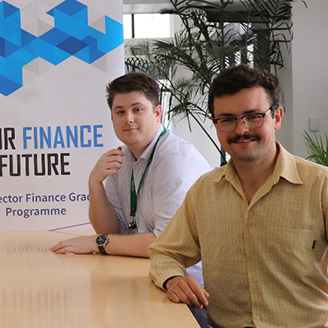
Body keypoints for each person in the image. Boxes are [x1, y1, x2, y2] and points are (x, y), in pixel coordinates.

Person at [148, 65, 328, 328]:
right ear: (216, 124)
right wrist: (173, 278)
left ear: (277, 117)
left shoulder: (326, 187)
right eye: (227, 119)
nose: (241, 129)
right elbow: (164, 252)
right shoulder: (205, 191)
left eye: (253, 116)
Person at [51, 72, 210, 280]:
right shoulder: (123, 157)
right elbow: (111, 229)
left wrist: (96, 242)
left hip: (189, 289)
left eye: (137, 109)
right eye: (120, 112)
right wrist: (95, 183)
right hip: (145, 276)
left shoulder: (174, 159)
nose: (128, 119)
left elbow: (165, 243)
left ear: (157, 113)